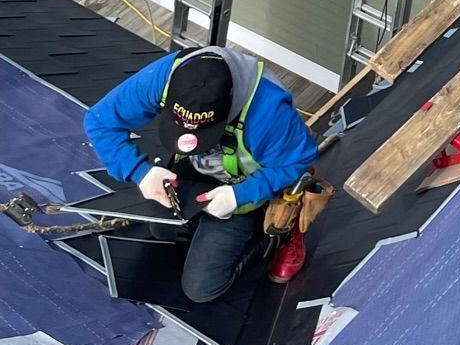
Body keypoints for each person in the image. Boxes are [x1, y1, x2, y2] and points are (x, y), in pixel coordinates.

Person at [83, 44, 318, 301]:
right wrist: (139, 171)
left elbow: (298, 161)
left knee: (202, 289)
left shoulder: (269, 112)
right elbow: (100, 121)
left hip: (246, 185)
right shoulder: (167, 76)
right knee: (162, 231)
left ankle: (274, 237)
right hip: (197, 169)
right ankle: (205, 226)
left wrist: (240, 195)